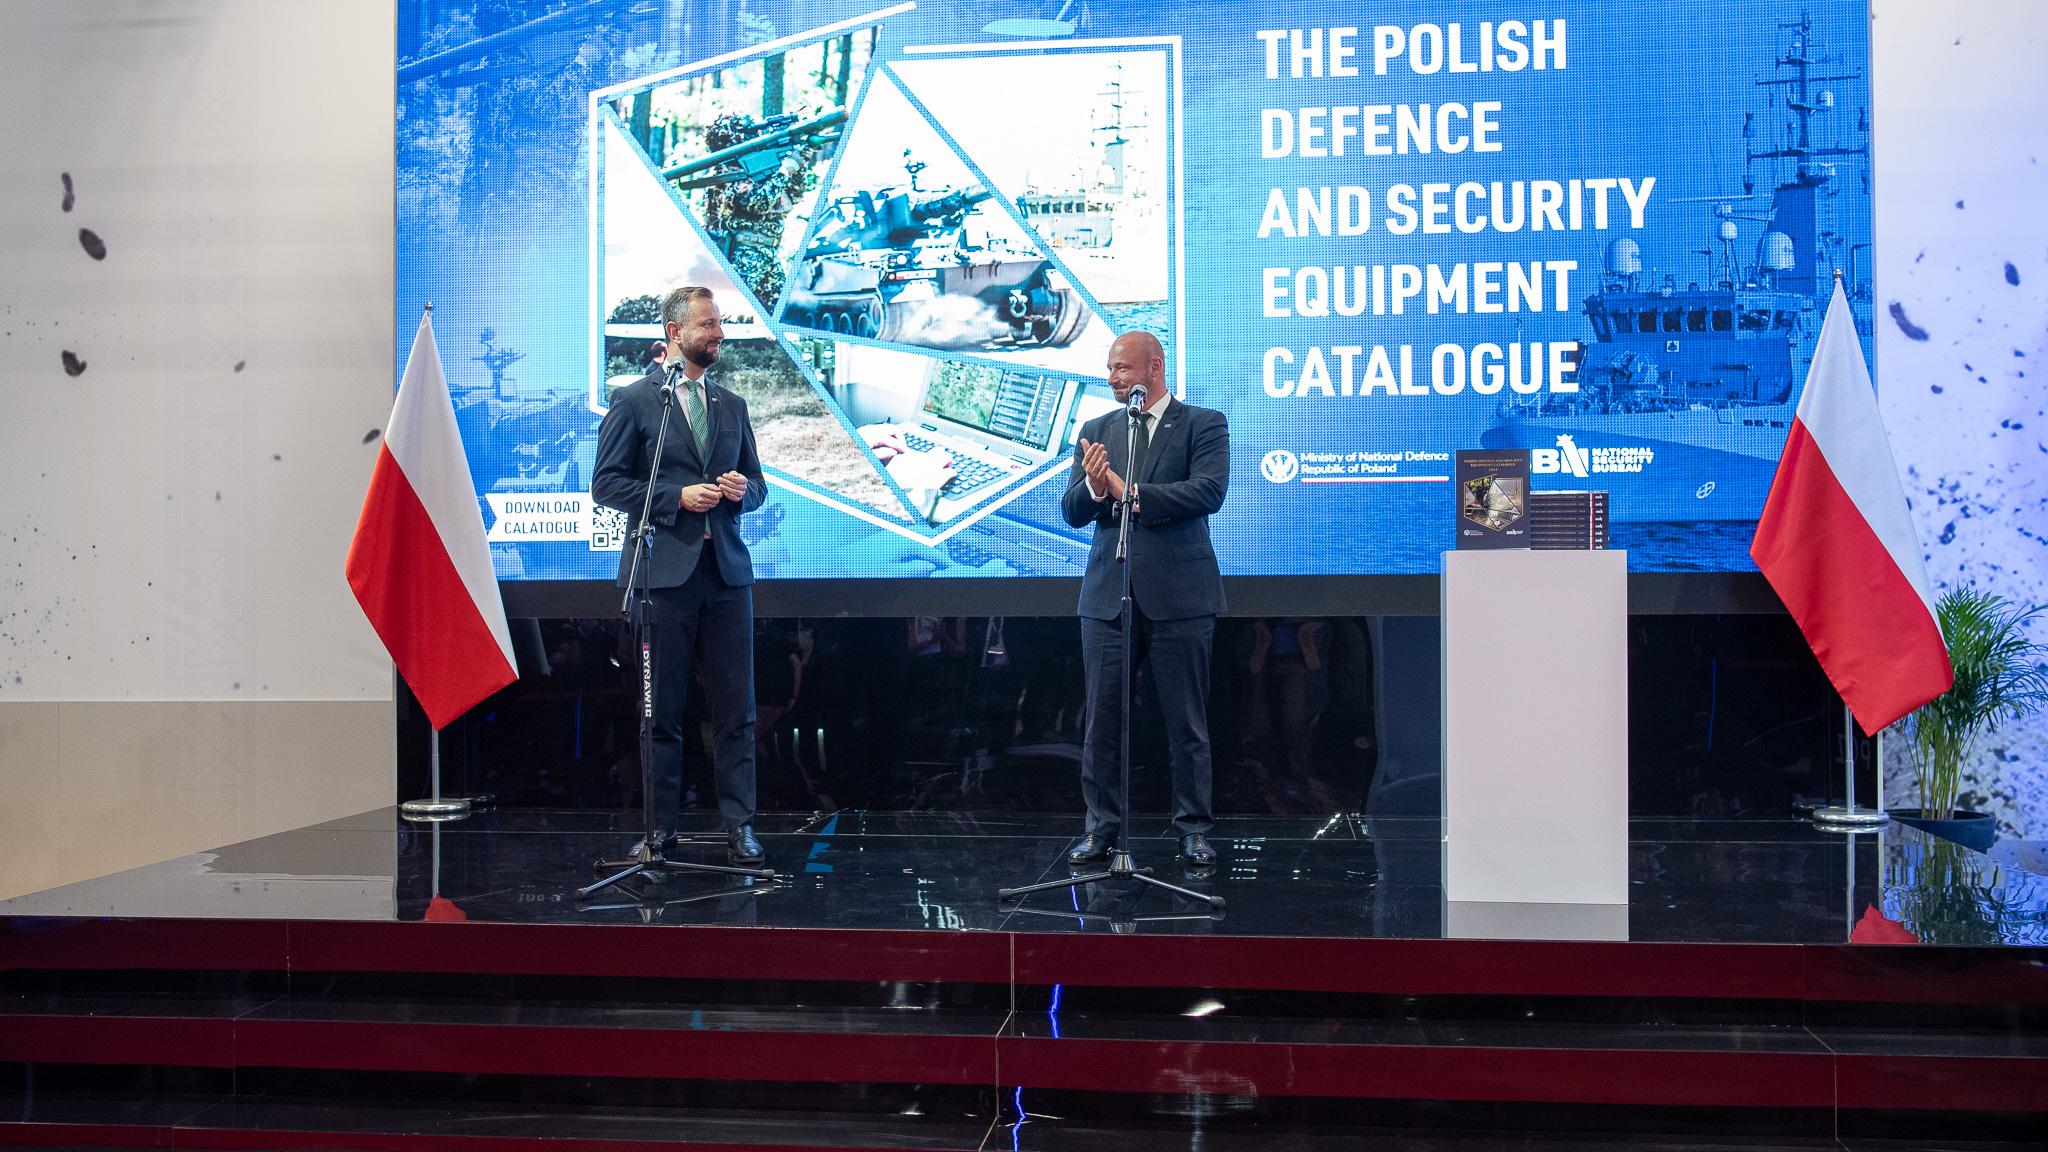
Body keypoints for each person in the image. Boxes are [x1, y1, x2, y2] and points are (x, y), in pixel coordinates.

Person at [591, 285, 770, 865]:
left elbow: (758, 486)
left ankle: (740, 828)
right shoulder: (635, 401)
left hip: (727, 578)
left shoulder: (732, 405)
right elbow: (606, 484)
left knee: (737, 712)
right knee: (661, 713)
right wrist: (676, 497)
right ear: (675, 332)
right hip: (663, 579)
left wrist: (742, 491)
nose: (719, 333)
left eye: (719, 323)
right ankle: (660, 831)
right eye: (708, 324)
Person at [1060, 331, 1229, 867]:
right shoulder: (1097, 431)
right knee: (1102, 723)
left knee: (1186, 723)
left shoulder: (1202, 424)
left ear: (1154, 367)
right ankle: (1101, 829)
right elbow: (1072, 510)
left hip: (1180, 596)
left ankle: (1193, 829)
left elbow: (1208, 492)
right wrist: (1094, 487)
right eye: (1110, 369)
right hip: (1108, 597)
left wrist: (1126, 492)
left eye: (1123, 368)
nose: (1113, 378)